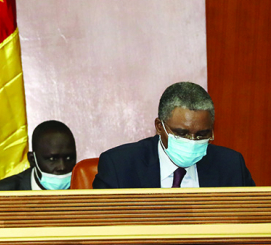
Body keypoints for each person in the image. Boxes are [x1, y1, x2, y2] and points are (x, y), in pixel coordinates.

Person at [93, 81, 254, 189]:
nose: (191, 142)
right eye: (181, 133)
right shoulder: (119, 166)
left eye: (201, 135)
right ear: (159, 127)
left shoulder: (231, 166)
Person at [0, 121, 76, 191]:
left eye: (69, 158)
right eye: (52, 159)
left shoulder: (87, 189)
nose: (62, 167)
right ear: (32, 160)